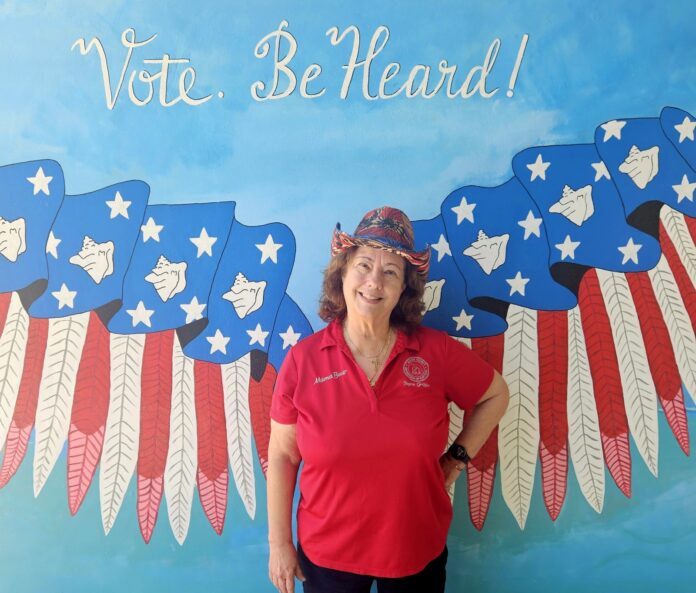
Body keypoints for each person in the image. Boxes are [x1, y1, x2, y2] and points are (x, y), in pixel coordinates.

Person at [267, 206, 509, 593]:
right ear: (342, 273)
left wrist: (458, 458)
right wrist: (279, 544)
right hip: (328, 556)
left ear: (404, 289)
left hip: (416, 551)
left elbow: (496, 394)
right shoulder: (303, 359)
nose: (374, 282)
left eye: (391, 272)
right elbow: (282, 455)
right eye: (363, 265)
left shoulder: (436, 352)